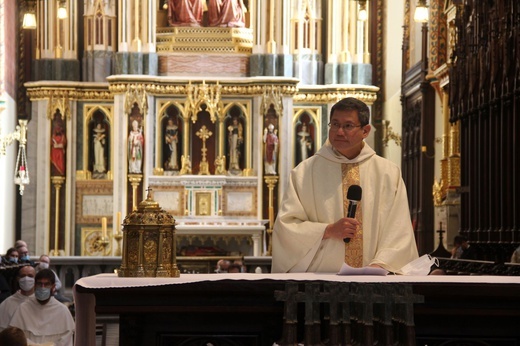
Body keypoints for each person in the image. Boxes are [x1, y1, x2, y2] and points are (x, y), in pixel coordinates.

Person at [272, 97, 419, 274]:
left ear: (365, 131)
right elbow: (286, 227)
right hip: (321, 281)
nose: (339, 132)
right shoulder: (304, 173)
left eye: (348, 126)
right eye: (335, 124)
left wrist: (381, 265)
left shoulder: (388, 173)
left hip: (375, 283)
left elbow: (399, 230)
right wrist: (328, 230)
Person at [9, 269, 74, 346]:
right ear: (35, 285)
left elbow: (65, 341)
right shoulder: (23, 309)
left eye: (46, 284)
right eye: (40, 284)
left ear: (53, 287)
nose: (43, 288)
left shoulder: (62, 310)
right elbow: (15, 338)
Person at [0, 266, 35, 332]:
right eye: (23, 276)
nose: (26, 279)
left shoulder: (40, 302)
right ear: (18, 279)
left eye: (30, 276)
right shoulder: (7, 303)